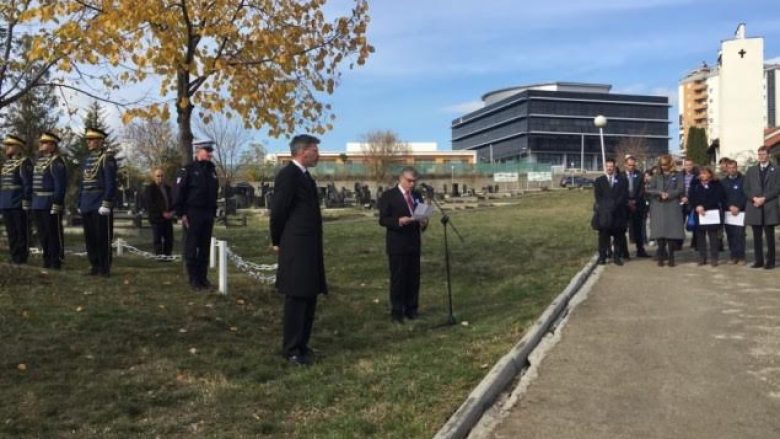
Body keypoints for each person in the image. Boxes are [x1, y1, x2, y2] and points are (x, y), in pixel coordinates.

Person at [270, 134, 327, 366]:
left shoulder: (305, 176)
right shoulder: (288, 175)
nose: (318, 154)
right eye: (315, 150)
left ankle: (303, 344)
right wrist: (278, 240)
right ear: (303, 151)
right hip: (296, 245)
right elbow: (279, 211)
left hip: (309, 245)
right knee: (297, 297)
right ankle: (292, 348)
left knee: (309, 294)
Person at [378, 166, 428, 322]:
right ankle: (397, 311)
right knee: (399, 278)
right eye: (409, 181)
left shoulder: (418, 195)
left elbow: (423, 217)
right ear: (400, 179)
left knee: (413, 277)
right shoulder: (388, 195)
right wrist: (398, 221)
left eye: (414, 181)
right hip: (397, 243)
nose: (412, 184)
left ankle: (412, 309)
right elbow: (383, 219)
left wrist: (424, 221)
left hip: (414, 242)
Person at [173, 140, 219, 290]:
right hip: (193, 213)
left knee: (204, 248)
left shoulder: (212, 170)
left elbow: (214, 193)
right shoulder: (188, 170)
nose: (210, 154)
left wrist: (213, 211)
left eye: (211, 151)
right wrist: (181, 214)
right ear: (198, 151)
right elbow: (179, 192)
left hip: (207, 213)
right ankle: (193, 279)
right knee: (192, 247)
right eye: (207, 151)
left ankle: (202, 278)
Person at [78, 127, 117, 277]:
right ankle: (94, 265)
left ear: (100, 141)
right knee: (90, 238)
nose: (89, 142)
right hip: (87, 203)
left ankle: (104, 268)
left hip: (100, 203)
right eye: (88, 139)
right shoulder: (87, 160)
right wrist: (80, 202)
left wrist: (107, 203)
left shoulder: (107, 158)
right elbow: (83, 183)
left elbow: (110, 183)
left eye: (92, 139)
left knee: (103, 237)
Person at [31, 132, 67, 270]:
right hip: (38, 202)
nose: (41, 145)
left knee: (53, 233)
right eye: (41, 142)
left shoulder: (57, 162)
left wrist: (57, 203)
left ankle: (56, 260)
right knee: (43, 233)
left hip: (49, 202)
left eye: (44, 142)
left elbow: (60, 185)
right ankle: (47, 258)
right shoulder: (39, 161)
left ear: (52, 145)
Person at [743, 146, 780, 269]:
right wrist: (754, 198)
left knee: (770, 237)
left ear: (768, 155)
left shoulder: (776, 169)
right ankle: (758, 260)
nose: (761, 156)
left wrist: (764, 198)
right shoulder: (751, 170)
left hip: (769, 206)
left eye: (763, 154)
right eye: (759, 154)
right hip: (755, 206)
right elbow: (745, 188)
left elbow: (777, 188)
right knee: (756, 236)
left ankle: (770, 261)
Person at [646, 154, 685, 267]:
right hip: (658, 206)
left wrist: (670, 194)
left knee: (671, 233)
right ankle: (661, 256)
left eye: (665, 165)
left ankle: (672, 257)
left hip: (672, 205)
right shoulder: (656, 175)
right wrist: (659, 193)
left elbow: (680, 188)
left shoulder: (677, 175)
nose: (663, 167)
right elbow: (650, 189)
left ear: (670, 164)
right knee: (660, 233)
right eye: (661, 165)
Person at [0, 134, 33, 264]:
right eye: (6, 145)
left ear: (18, 147)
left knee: (21, 231)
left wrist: (26, 200)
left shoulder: (24, 162)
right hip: (6, 202)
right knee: (11, 232)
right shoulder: (6, 164)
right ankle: (14, 256)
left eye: (10, 145)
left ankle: (22, 257)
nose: (6, 147)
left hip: (18, 202)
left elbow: (27, 184)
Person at [592, 158, 628, 265]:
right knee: (603, 236)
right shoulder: (599, 181)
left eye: (611, 166)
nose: (609, 168)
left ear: (614, 167)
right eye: (607, 166)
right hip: (604, 214)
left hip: (617, 213)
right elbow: (598, 197)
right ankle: (602, 256)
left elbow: (623, 195)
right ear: (605, 167)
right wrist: (607, 207)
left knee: (618, 236)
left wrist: (614, 206)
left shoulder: (622, 180)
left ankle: (617, 257)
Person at [688, 167, 726, 266]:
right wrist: (697, 206)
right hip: (699, 213)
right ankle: (702, 257)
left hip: (712, 213)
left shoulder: (716, 184)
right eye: (701, 174)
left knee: (713, 237)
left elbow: (717, 197)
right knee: (700, 237)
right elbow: (691, 197)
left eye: (704, 173)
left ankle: (714, 258)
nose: (702, 175)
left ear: (710, 174)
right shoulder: (695, 185)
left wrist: (704, 207)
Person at [621, 156, 650, 258]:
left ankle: (640, 250)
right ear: (625, 165)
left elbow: (642, 190)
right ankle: (624, 252)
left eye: (633, 165)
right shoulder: (620, 176)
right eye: (629, 165)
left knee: (638, 229)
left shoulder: (640, 175)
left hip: (637, 205)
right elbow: (619, 191)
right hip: (624, 205)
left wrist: (634, 201)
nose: (631, 167)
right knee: (622, 229)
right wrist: (627, 201)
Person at [144, 167, 174, 258]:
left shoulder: (168, 188)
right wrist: (162, 213)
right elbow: (150, 204)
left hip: (168, 217)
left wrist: (172, 212)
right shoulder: (150, 189)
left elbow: (172, 201)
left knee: (169, 238)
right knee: (157, 238)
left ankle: (167, 254)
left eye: (162, 176)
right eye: (158, 176)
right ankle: (159, 255)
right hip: (157, 217)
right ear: (154, 177)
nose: (160, 178)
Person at [723, 159, 747, 264]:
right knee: (730, 234)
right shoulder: (723, 182)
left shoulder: (744, 180)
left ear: (737, 168)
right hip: (728, 212)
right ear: (726, 169)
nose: (732, 170)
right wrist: (729, 206)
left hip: (740, 212)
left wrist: (739, 207)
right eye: (729, 168)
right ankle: (733, 256)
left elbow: (746, 195)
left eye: (734, 167)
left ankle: (741, 257)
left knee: (740, 234)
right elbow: (722, 197)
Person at [680, 158, 699, 250]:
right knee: (679, 224)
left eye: (690, 165)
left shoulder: (697, 175)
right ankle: (678, 243)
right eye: (686, 165)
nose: (688, 167)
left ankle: (695, 243)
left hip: (693, 202)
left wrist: (690, 198)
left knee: (695, 223)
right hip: (681, 202)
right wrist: (682, 197)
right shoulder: (679, 175)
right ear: (684, 166)